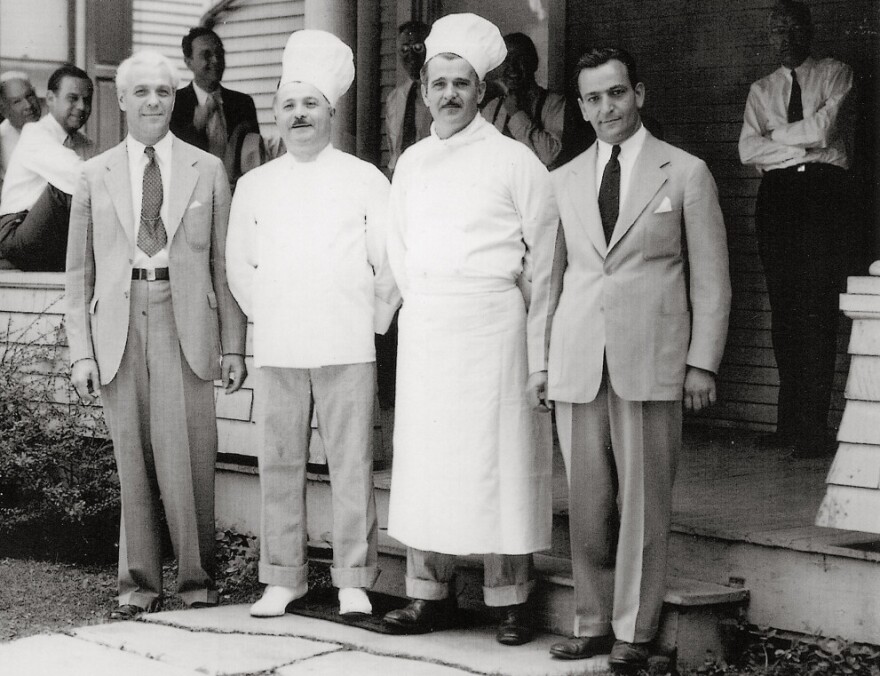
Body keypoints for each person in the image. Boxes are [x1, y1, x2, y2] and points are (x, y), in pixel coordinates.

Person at [541, 47, 730, 669]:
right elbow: (549, 280)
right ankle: (591, 621)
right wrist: (540, 362)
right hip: (577, 361)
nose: (605, 109)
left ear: (639, 94)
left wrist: (702, 362)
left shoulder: (685, 172)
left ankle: (634, 632)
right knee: (588, 504)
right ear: (581, 106)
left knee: (645, 504)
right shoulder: (563, 179)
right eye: (592, 99)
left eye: (615, 94)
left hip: (651, 359)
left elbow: (711, 280)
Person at [382, 13, 557, 647]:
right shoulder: (411, 164)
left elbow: (545, 259)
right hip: (430, 328)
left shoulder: (517, 162)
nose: (450, 94)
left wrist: (538, 349)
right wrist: (419, 305)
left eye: (462, 82)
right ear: (424, 90)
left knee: (500, 462)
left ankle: (512, 599)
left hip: (495, 331)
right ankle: (428, 595)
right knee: (431, 462)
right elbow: (397, 247)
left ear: (481, 91)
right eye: (439, 83)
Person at [65, 49, 247, 621]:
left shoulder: (207, 169)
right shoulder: (93, 175)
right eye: (141, 92)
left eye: (163, 92)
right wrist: (81, 353)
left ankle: (198, 582)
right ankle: (138, 586)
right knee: (133, 460)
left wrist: (234, 346)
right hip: (118, 324)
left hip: (185, 319)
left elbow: (226, 268)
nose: (152, 101)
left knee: (190, 458)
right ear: (120, 100)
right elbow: (79, 275)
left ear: (176, 98)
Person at [226, 29, 400, 619]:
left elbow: (389, 261)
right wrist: (269, 313)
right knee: (278, 463)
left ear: (330, 111)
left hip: (347, 341)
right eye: (289, 105)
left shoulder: (365, 178)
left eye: (311, 104)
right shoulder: (254, 185)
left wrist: (371, 319)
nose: (299, 115)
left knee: (351, 464)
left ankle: (354, 575)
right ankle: (283, 576)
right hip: (278, 343)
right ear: (276, 113)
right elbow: (238, 266)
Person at [739, 0, 855, 458]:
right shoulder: (761, 88)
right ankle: (788, 425)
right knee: (785, 310)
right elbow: (748, 150)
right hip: (780, 200)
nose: (783, 38)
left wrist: (777, 143)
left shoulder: (836, 73)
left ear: (808, 31)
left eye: (792, 29)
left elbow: (826, 132)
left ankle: (814, 430)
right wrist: (797, 145)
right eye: (775, 31)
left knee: (818, 309)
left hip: (824, 198)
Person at [0, 64, 93, 271]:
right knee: (68, 188)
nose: (81, 106)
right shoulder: (34, 133)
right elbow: (80, 177)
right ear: (50, 98)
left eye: (87, 100)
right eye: (73, 98)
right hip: (16, 230)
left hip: (51, 234)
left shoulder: (86, 144)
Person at [171, 27, 260, 163]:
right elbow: (171, 156)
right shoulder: (174, 103)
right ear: (188, 62)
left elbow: (254, 156)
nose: (215, 60)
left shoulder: (243, 103)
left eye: (219, 53)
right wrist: (196, 126)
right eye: (206, 55)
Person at [482, 32, 565, 168]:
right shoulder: (492, 108)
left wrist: (516, 113)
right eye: (506, 60)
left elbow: (549, 156)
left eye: (520, 59)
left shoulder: (554, 103)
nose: (512, 67)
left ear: (534, 63)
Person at [385, 20, 432, 174]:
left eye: (417, 48)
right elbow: (394, 151)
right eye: (404, 49)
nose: (410, 55)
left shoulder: (442, 95)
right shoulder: (394, 99)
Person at [0, 71, 42, 190]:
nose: (28, 105)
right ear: (3, 110)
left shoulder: (49, 129)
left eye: (30, 96)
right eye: (17, 101)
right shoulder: (2, 139)